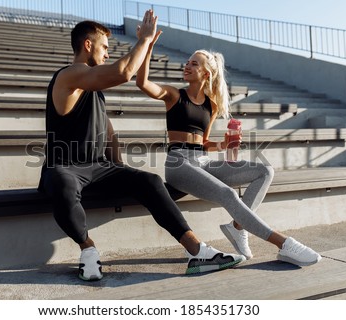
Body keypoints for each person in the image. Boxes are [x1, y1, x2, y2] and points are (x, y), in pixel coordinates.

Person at [38, 10, 245, 281]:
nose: (107, 53)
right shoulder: (70, 75)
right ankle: (87, 249)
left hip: (99, 167)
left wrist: (122, 171)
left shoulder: (92, 89)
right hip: (64, 166)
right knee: (64, 187)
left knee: (149, 181)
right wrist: (145, 41)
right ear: (87, 45)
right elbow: (124, 72)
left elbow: (108, 131)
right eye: (104, 47)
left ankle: (197, 251)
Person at [136, 32, 321, 267]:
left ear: (206, 73)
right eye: (187, 62)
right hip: (178, 164)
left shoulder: (210, 106)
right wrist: (148, 45)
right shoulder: (174, 95)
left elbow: (203, 142)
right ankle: (284, 244)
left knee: (264, 171)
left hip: (202, 161)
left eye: (194, 63)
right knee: (228, 194)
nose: (188, 66)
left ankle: (237, 228)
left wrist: (222, 145)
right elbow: (142, 84)